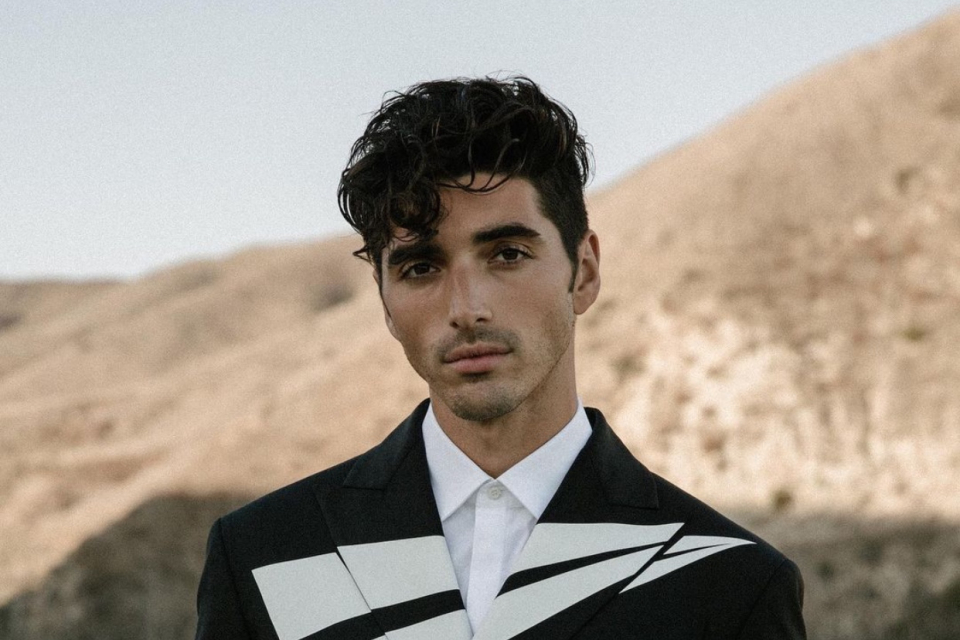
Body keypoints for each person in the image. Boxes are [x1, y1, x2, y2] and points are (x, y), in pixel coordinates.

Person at [195, 76, 806, 640]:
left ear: (584, 272)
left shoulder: (729, 583)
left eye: (508, 254)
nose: (467, 308)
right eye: (421, 267)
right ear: (384, 301)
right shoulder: (261, 557)